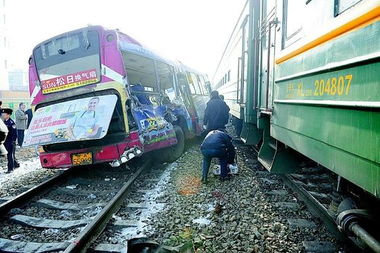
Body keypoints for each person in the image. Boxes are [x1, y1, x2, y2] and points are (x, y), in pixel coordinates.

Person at [2, 108, 19, 173]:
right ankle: (16, 164)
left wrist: (14, 141)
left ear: (8, 115)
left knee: (9, 155)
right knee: (10, 154)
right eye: (3, 114)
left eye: (4, 114)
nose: (3, 115)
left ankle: (10, 169)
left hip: (10, 141)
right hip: (5, 141)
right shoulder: (4, 121)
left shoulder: (11, 123)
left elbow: (14, 133)